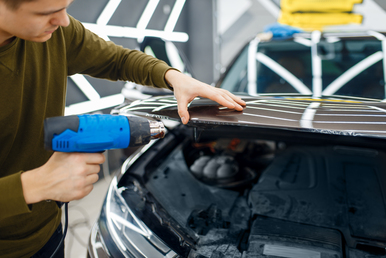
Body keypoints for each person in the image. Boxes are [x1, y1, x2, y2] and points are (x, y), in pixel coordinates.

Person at [0, 0, 246, 257]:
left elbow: (117, 59)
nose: (63, 21)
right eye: (47, 13)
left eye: (65, 7)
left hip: (47, 232)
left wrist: (173, 77)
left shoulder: (57, 32)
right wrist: (33, 186)